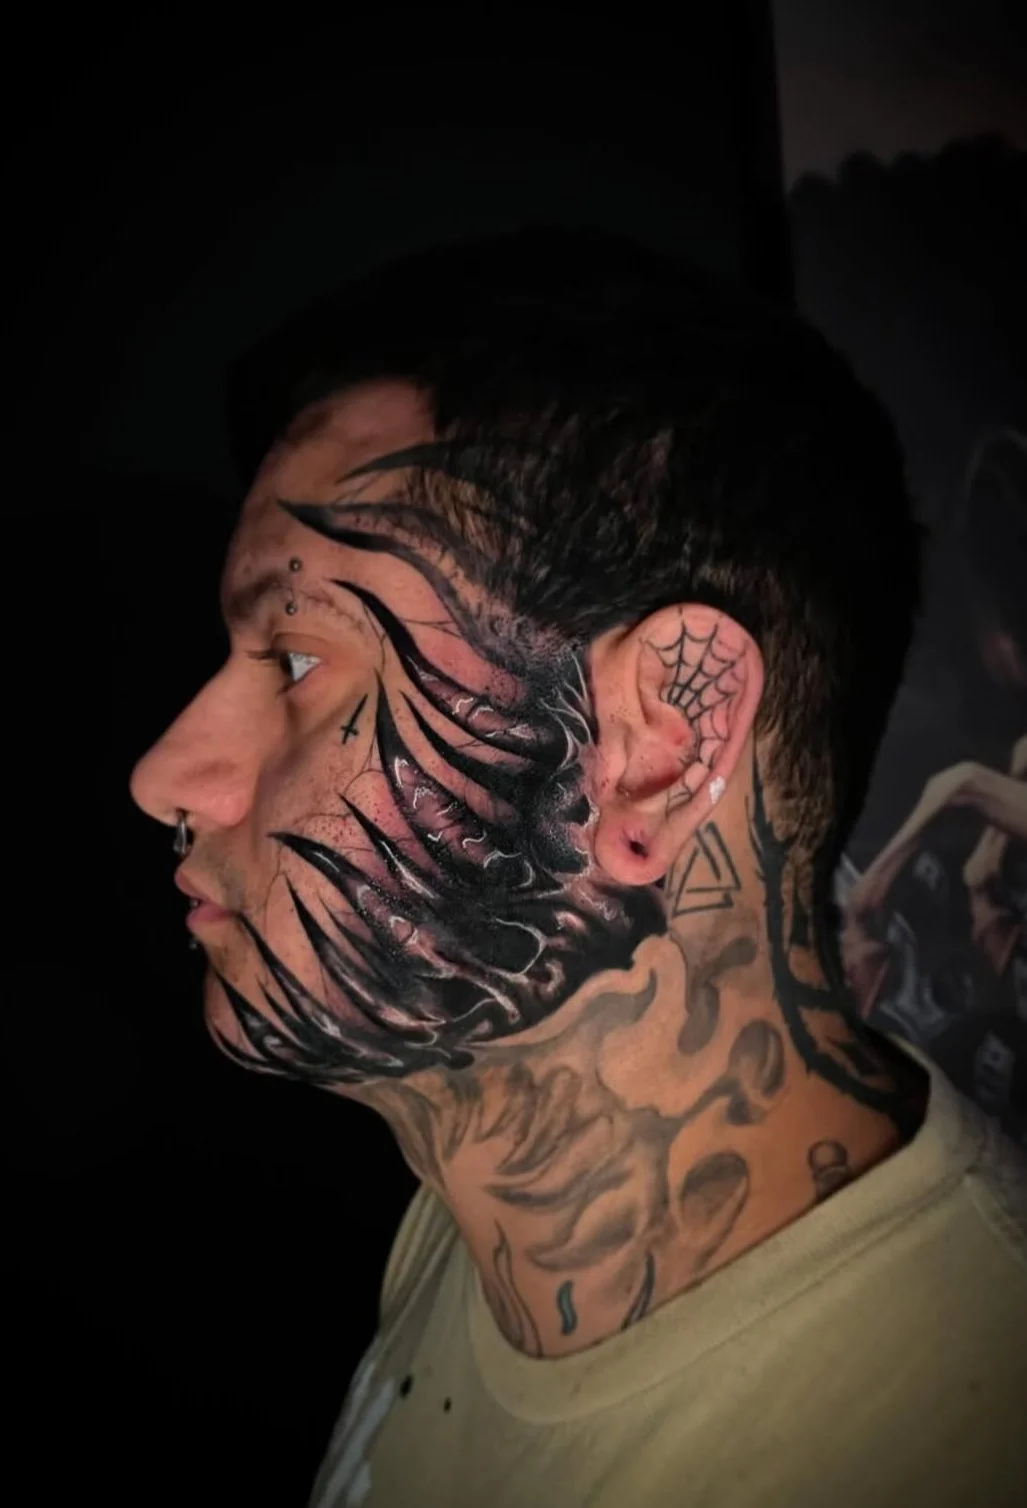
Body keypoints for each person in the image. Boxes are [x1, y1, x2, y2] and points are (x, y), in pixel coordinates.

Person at [130, 228, 1027, 1508]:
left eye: (297, 660)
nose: (165, 774)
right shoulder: (483, 1202)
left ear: (661, 744)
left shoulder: (947, 1441)